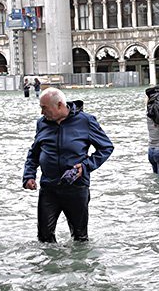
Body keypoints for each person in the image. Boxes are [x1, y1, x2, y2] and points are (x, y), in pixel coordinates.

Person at [23, 88, 114, 242]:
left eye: (44, 108)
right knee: (44, 237)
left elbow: (106, 147)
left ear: (59, 105)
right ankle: (50, 265)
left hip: (76, 188)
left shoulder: (86, 121)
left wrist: (86, 166)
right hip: (49, 188)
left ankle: (78, 265)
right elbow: (34, 152)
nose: (41, 112)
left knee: (80, 238)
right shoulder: (42, 123)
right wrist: (29, 175)